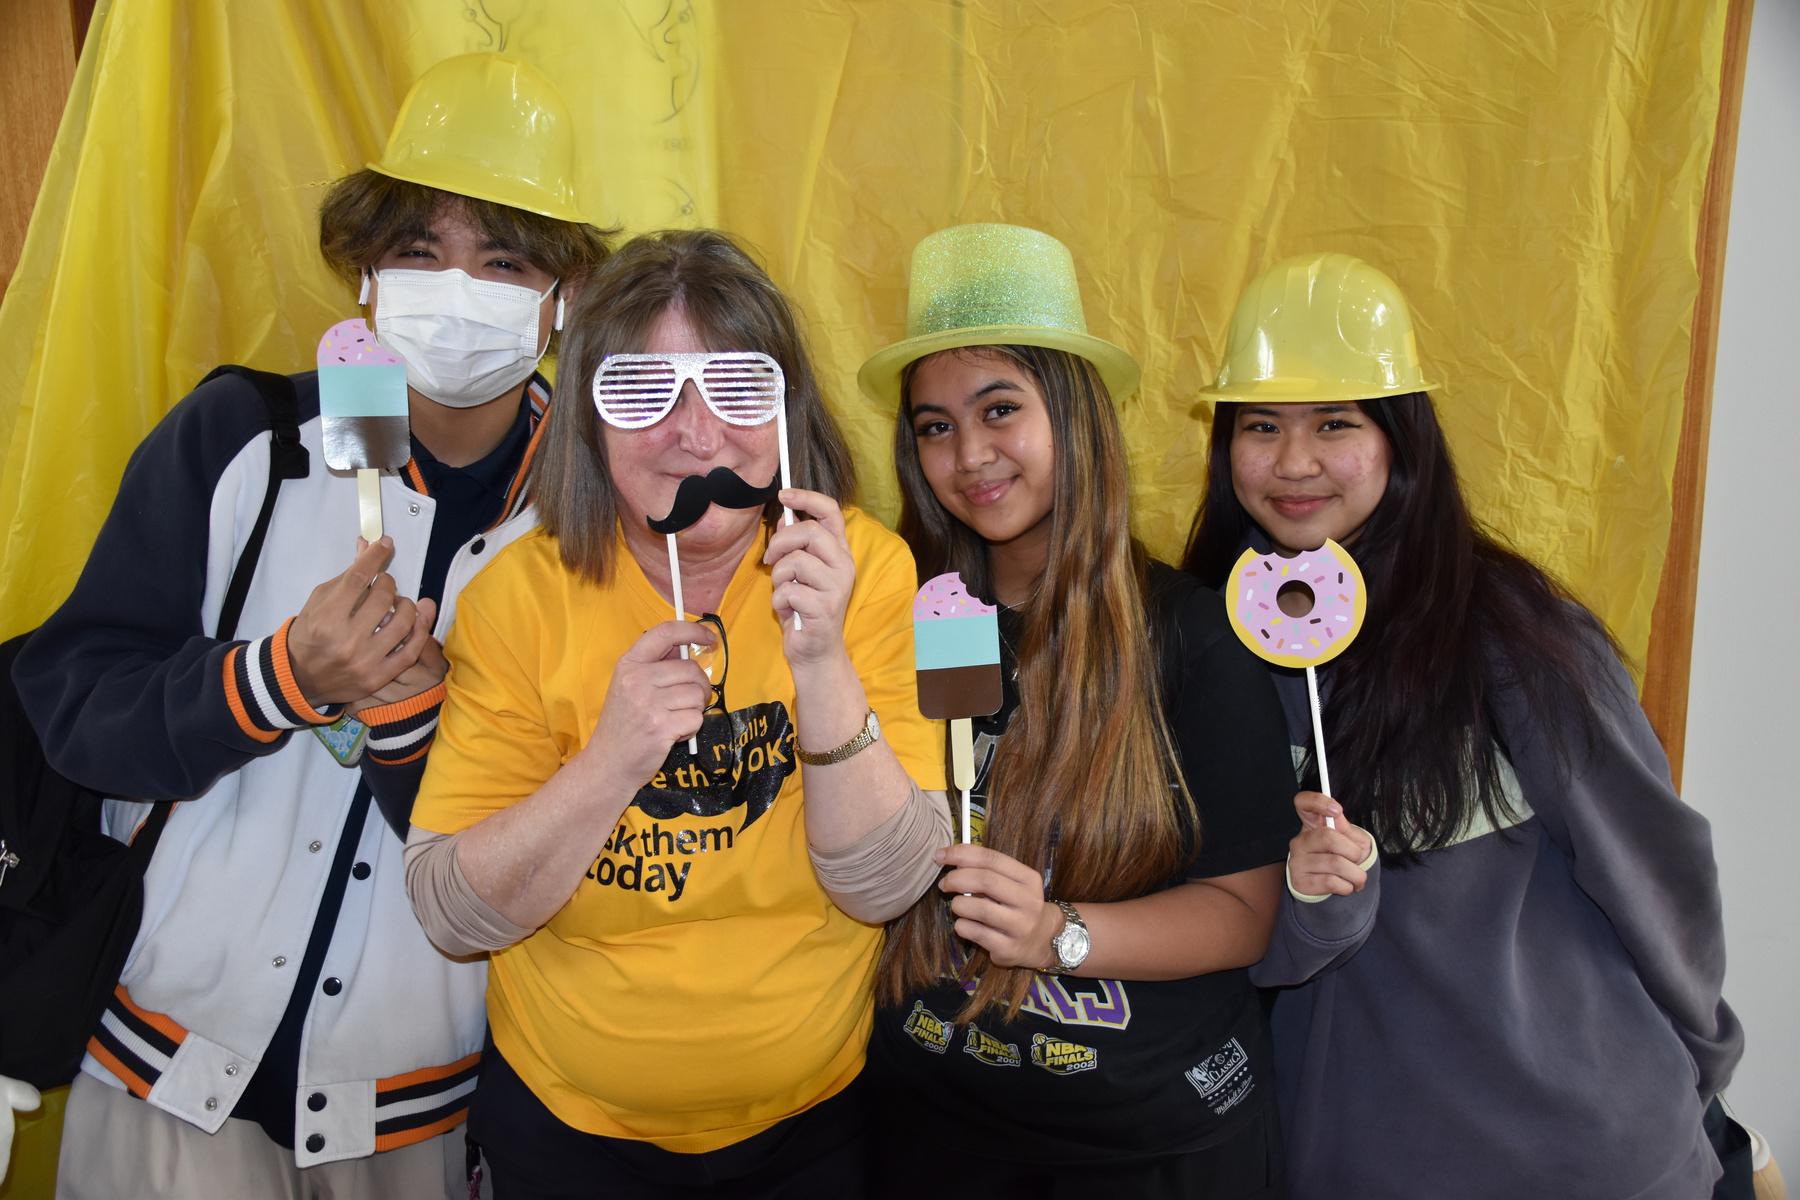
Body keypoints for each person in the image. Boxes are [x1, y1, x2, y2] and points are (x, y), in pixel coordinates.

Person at [13, 53, 612, 1199]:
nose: (457, 289)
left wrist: (416, 722)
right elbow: (74, 711)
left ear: (565, 298)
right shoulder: (243, 441)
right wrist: (275, 678)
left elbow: (570, 846)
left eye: (503, 260)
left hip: (419, 1113)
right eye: (420, 252)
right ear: (367, 277)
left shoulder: (599, 532)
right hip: (158, 1084)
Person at [1183, 252, 1745, 1199]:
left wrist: (1702, 1075)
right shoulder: (1199, 639)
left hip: (1578, 1153)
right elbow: (1216, 933)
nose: (1294, 462)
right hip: (1346, 1161)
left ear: (1401, 440)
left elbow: (1655, 868)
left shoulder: (1511, 631)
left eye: (1336, 423)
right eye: (1261, 425)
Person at [401, 228, 950, 1198]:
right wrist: (614, 756)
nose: (696, 435)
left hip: (811, 1124)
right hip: (569, 1129)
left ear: (787, 409)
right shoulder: (517, 598)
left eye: (736, 388)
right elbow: (451, 911)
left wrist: (821, 662)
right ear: (590, 422)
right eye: (643, 394)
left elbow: (888, 884)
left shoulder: (865, 568)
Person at [857, 223, 1297, 1198]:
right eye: (934, 426)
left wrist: (1058, 933)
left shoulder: (1191, 638)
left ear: (1076, 416)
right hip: (928, 1132)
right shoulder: (910, 622)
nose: (969, 455)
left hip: (1144, 1148)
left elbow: (1244, 914)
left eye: (999, 409)